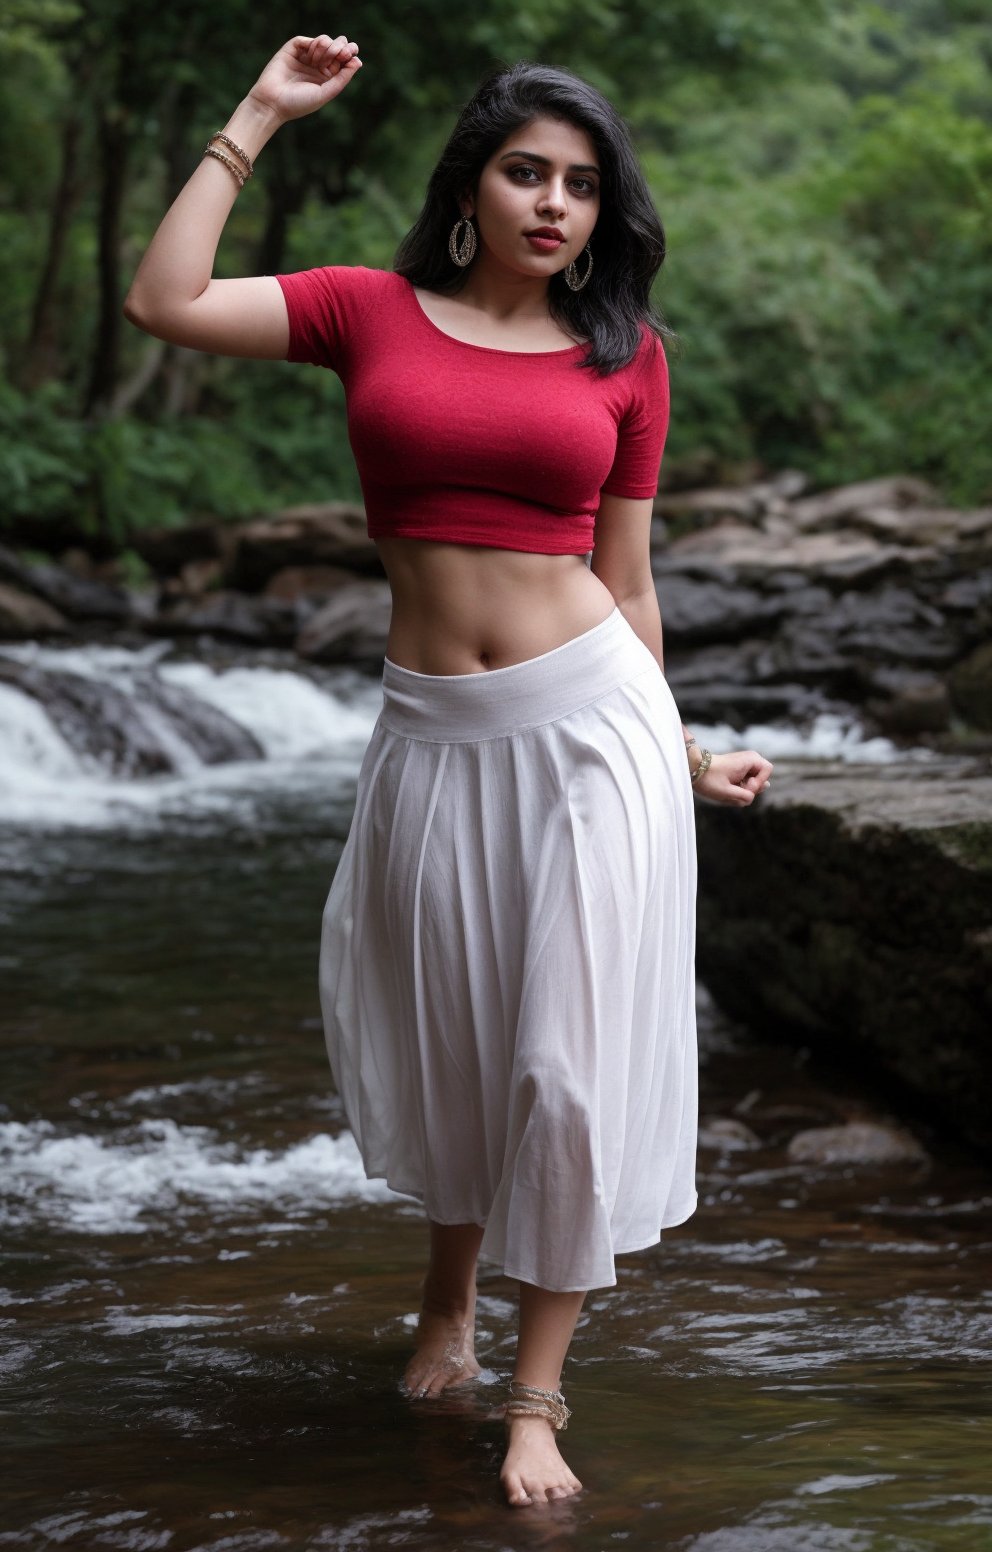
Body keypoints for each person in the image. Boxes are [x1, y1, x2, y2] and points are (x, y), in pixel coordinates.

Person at [123, 31, 774, 1509]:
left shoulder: (626, 359)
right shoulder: (371, 311)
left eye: (583, 186)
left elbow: (628, 585)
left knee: (562, 1062)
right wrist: (257, 116)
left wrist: (673, 750)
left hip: (590, 725)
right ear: (473, 187)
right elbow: (159, 300)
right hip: (434, 735)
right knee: (466, 1050)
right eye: (526, 171)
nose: (555, 204)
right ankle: (448, 1295)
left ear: (605, 214)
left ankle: (537, 1397)